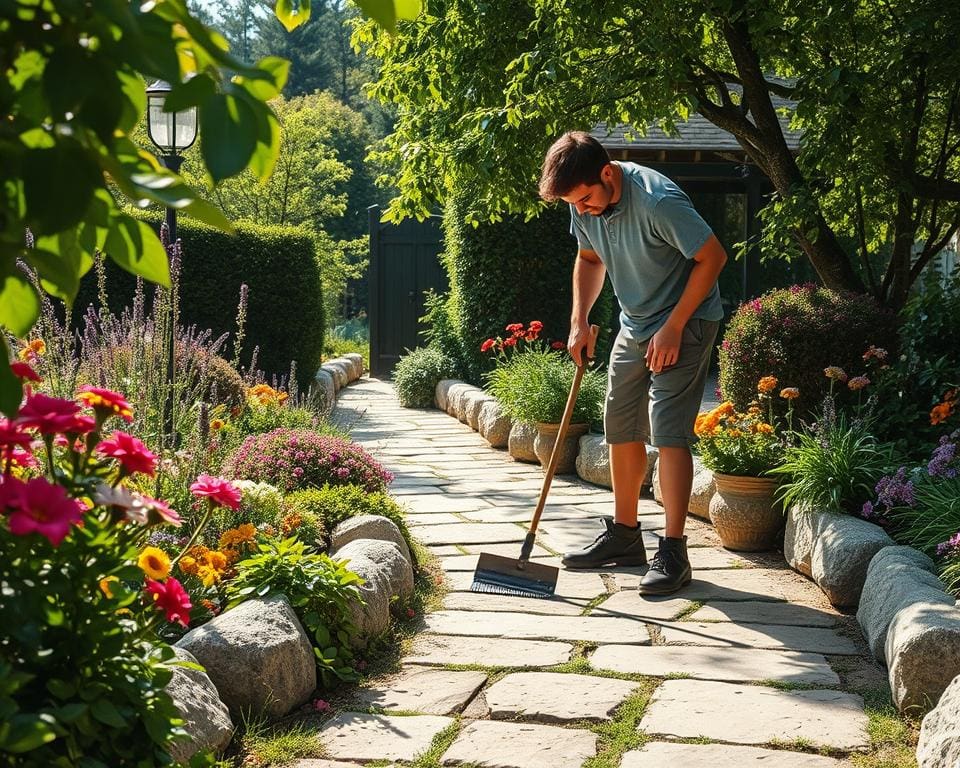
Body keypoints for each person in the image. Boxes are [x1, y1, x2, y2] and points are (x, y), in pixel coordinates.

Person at [539, 131, 727, 595]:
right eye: (573, 204)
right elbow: (588, 258)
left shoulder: (657, 201)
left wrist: (675, 325)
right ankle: (625, 536)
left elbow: (713, 257)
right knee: (620, 422)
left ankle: (674, 551)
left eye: (585, 199)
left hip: (687, 318)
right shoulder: (582, 201)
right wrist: (579, 320)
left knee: (668, 429)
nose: (580, 210)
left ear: (607, 173)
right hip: (636, 321)